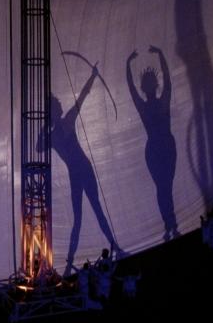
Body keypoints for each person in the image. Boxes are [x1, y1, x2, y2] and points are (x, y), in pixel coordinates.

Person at [41, 62, 120, 276]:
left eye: (56, 109)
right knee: (78, 218)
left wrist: (93, 76)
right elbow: (39, 148)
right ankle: (69, 263)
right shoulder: (52, 135)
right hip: (75, 174)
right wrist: (43, 125)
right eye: (53, 111)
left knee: (97, 208)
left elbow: (82, 98)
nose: (57, 112)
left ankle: (115, 246)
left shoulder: (67, 121)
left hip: (84, 169)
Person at [127, 45, 179, 240]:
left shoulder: (161, 101)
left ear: (153, 85)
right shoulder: (147, 105)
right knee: (162, 186)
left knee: (166, 186)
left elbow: (168, 79)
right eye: (147, 83)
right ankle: (169, 222)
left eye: (151, 82)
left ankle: (170, 222)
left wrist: (162, 54)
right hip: (157, 149)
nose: (150, 86)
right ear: (147, 87)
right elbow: (132, 89)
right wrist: (127, 65)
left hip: (166, 147)